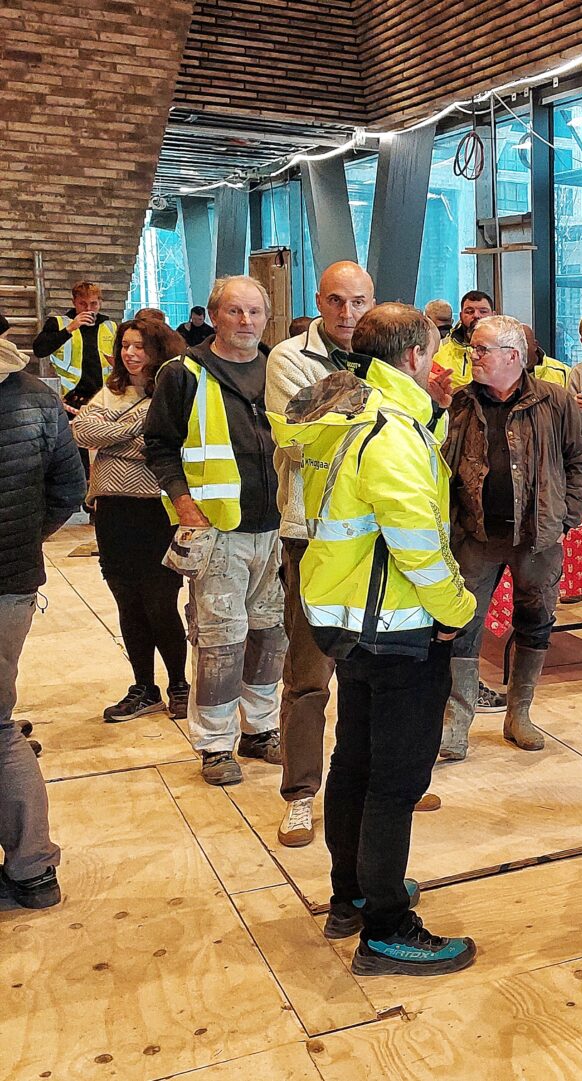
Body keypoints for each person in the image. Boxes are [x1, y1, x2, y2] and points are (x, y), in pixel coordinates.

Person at [275, 302, 478, 976]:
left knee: (356, 764)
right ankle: (387, 926)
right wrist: (456, 607)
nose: (442, 359)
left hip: (351, 626)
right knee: (395, 778)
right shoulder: (392, 433)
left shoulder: (354, 413)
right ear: (415, 357)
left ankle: (354, 892)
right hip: (399, 630)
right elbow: (418, 542)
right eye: (435, 348)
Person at [145, 276, 288, 787]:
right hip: (218, 529)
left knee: (270, 637)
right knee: (220, 640)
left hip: (277, 529)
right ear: (214, 315)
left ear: (265, 317)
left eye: (254, 312)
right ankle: (214, 743)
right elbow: (159, 446)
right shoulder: (183, 374)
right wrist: (183, 503)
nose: (245, 322)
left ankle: (261, 729)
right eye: (234, 312)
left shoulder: (280, 369)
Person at [265, 261, 389, 848]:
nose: (348, 314)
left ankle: (381, 781)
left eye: (359, 301)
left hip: (376, 534)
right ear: (319, 301)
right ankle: (299, 794)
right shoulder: (289, 358)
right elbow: (305, 432)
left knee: (378, 670)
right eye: (337, 301)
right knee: (310, 674)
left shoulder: (384, 353)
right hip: (311, 535)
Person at [438, 315, 582, 759]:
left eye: (483, 349)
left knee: (536, 620)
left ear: (514, 356)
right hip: (475, 535)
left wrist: (567, 515)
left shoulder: (556, 401)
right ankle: (456, 723)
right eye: (473, 348)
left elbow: (578, 461)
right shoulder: (460, 403)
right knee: (462, 623)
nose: (473, 356)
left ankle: (519, 714)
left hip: (538, 536)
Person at [0, 325, 87, 910]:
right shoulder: (36, 395)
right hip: (12, 588)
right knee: (1, 727)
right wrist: (24, 542)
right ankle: (32, 870)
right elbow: (69, 487)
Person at [72, 312, 190, 723]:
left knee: (160, 603)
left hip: (157, 511)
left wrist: (116, 438)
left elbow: (162, 449)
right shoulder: (111, 390)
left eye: (140, 346)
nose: (131, 353)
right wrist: (136, 432)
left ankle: (179, 685)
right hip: (113, 512)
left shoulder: (173, 390)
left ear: (158, 350)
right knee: (128, 604)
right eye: (125, 346)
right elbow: (82, 433)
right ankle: (144, 687)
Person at [33, 280, 117, 411]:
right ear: (74, 303)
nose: (88, 309)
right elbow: (39, 350)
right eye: (82, 304)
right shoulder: (59, 323)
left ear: (100, 302)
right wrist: (69, 329)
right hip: (69, 397)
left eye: (93, 303)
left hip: (103, 396)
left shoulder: (111, 326)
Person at [432, 290, 495, 391]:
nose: (476, 316)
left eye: (483, 311)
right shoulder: (438, 350)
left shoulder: (506, 351)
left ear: (493, 315)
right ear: (461, 316)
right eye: (469, 312)